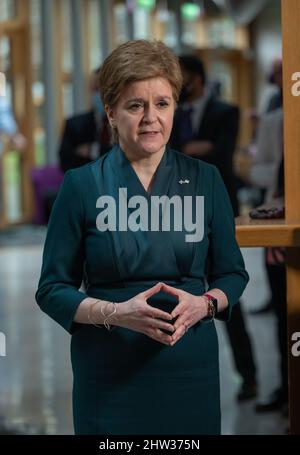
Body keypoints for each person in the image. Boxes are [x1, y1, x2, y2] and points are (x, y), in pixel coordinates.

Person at [36, 40, 249, 435]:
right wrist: (117, 313)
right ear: (111, 113)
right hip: (108, 370)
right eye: (136, 105)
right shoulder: (81, 186)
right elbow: (51, 289)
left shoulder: (206, 180)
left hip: (190, 370)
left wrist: (204, 305)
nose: (152, 118)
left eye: (163, 104)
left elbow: (233, 275)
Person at [170, 55, 257, 401]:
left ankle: (248, 375)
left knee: (227, 299)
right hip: (177, 211)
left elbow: (221, 157)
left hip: (218, 211)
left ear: (198, 77)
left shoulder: (226, 112)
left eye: (184, 77)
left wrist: (192, 152)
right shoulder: (173, 115)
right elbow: (170, 155)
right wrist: (193, 150)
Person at [59, 67, 111, 173]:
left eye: (105, 88)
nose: (101, 93)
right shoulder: (74, 125)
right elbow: (66, 164)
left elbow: (126, 156)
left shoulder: (126, 122)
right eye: (96, 88)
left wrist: (93, 150)